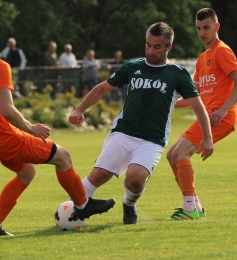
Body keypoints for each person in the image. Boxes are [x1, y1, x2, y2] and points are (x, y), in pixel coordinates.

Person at [0, 18, 115, 238]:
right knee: (63, 156)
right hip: (6, 138)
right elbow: (8, 110)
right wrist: (32, 128)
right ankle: (82, 204)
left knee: (26, 172)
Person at [69, 22, 214, 224]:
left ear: (168, 47)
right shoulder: (132, 66)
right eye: (148, 45)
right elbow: (103, 89)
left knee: (135, 178)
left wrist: (207, 138)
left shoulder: (177, 74)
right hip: (124, 131)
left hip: (153, 140)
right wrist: (79, 109)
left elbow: (199, 107)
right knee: (100, 174)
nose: (150, 50)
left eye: (157, 47)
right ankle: (69, 213)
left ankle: (129, 205)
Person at [166, 8, 237, 220]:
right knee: (172, 155)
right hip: (206, 116)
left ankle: (190, 209)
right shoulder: (202, 57)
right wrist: (168, 104)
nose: (202, 32)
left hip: (220, 116)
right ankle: (195, 205)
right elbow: (193, 95)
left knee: (180, 154)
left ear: (216, 27)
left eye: (206, 27)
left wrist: (224, 109)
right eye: (198, 28)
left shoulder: (222, 51)